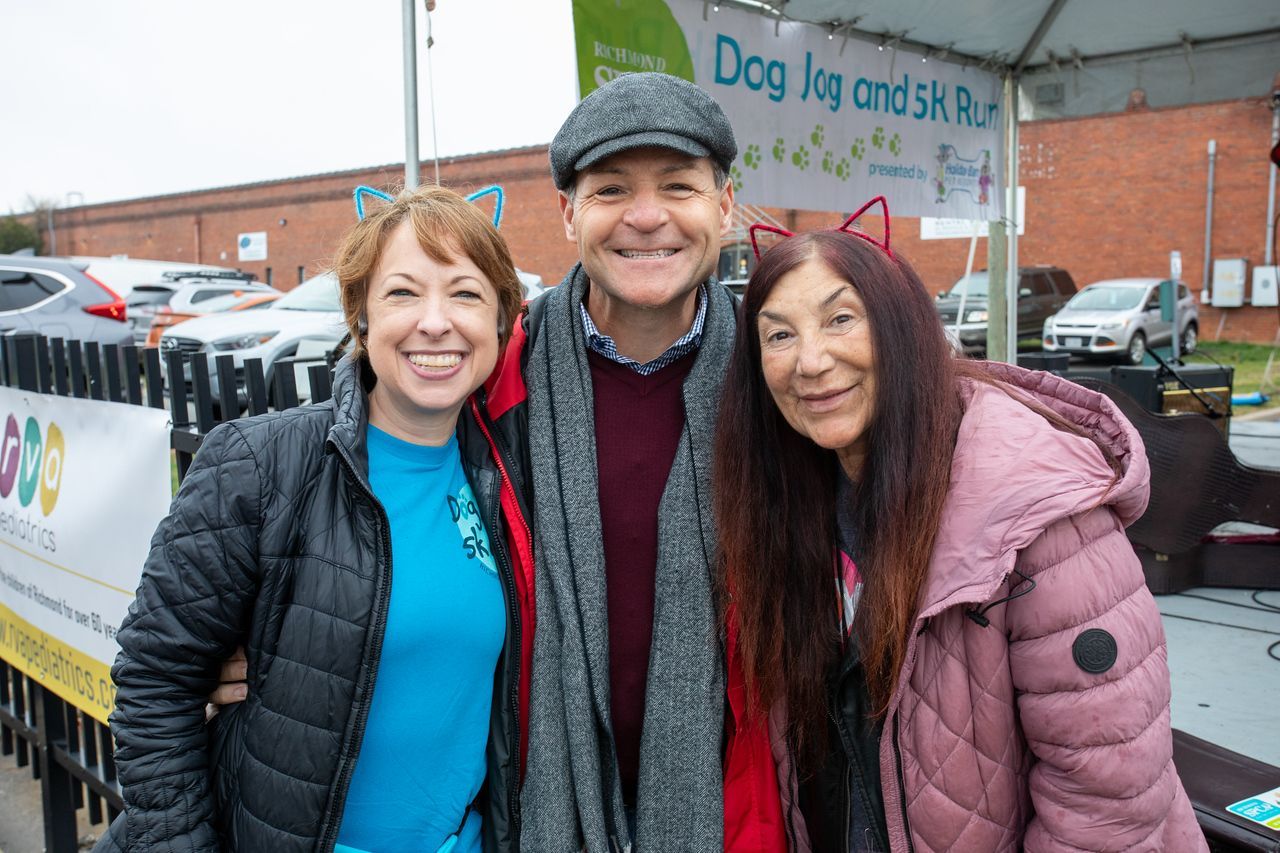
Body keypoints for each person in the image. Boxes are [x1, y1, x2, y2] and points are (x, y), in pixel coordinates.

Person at [714, 205, 1207, 852]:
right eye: (778, 336)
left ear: (903, 329)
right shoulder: (792, 498)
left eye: (840, 319)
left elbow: (1106, 803)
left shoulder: (1039, 509)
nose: (810, 361)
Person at [96, 185, 532, 853]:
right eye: (403, 293)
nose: (436, 321)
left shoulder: (505, 477)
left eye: (466, 294)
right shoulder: (261, 464)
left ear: (503, 320)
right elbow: (156, 680)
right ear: (360, 316)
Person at [478, 71, 740, 851]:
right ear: (569, 213)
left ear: (724, 206)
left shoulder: (782, 374)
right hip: (531, 797)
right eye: (613, 188)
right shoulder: (495, 375)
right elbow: (370, 471)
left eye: (679, 186)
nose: (648, 216)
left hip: (744, 804)